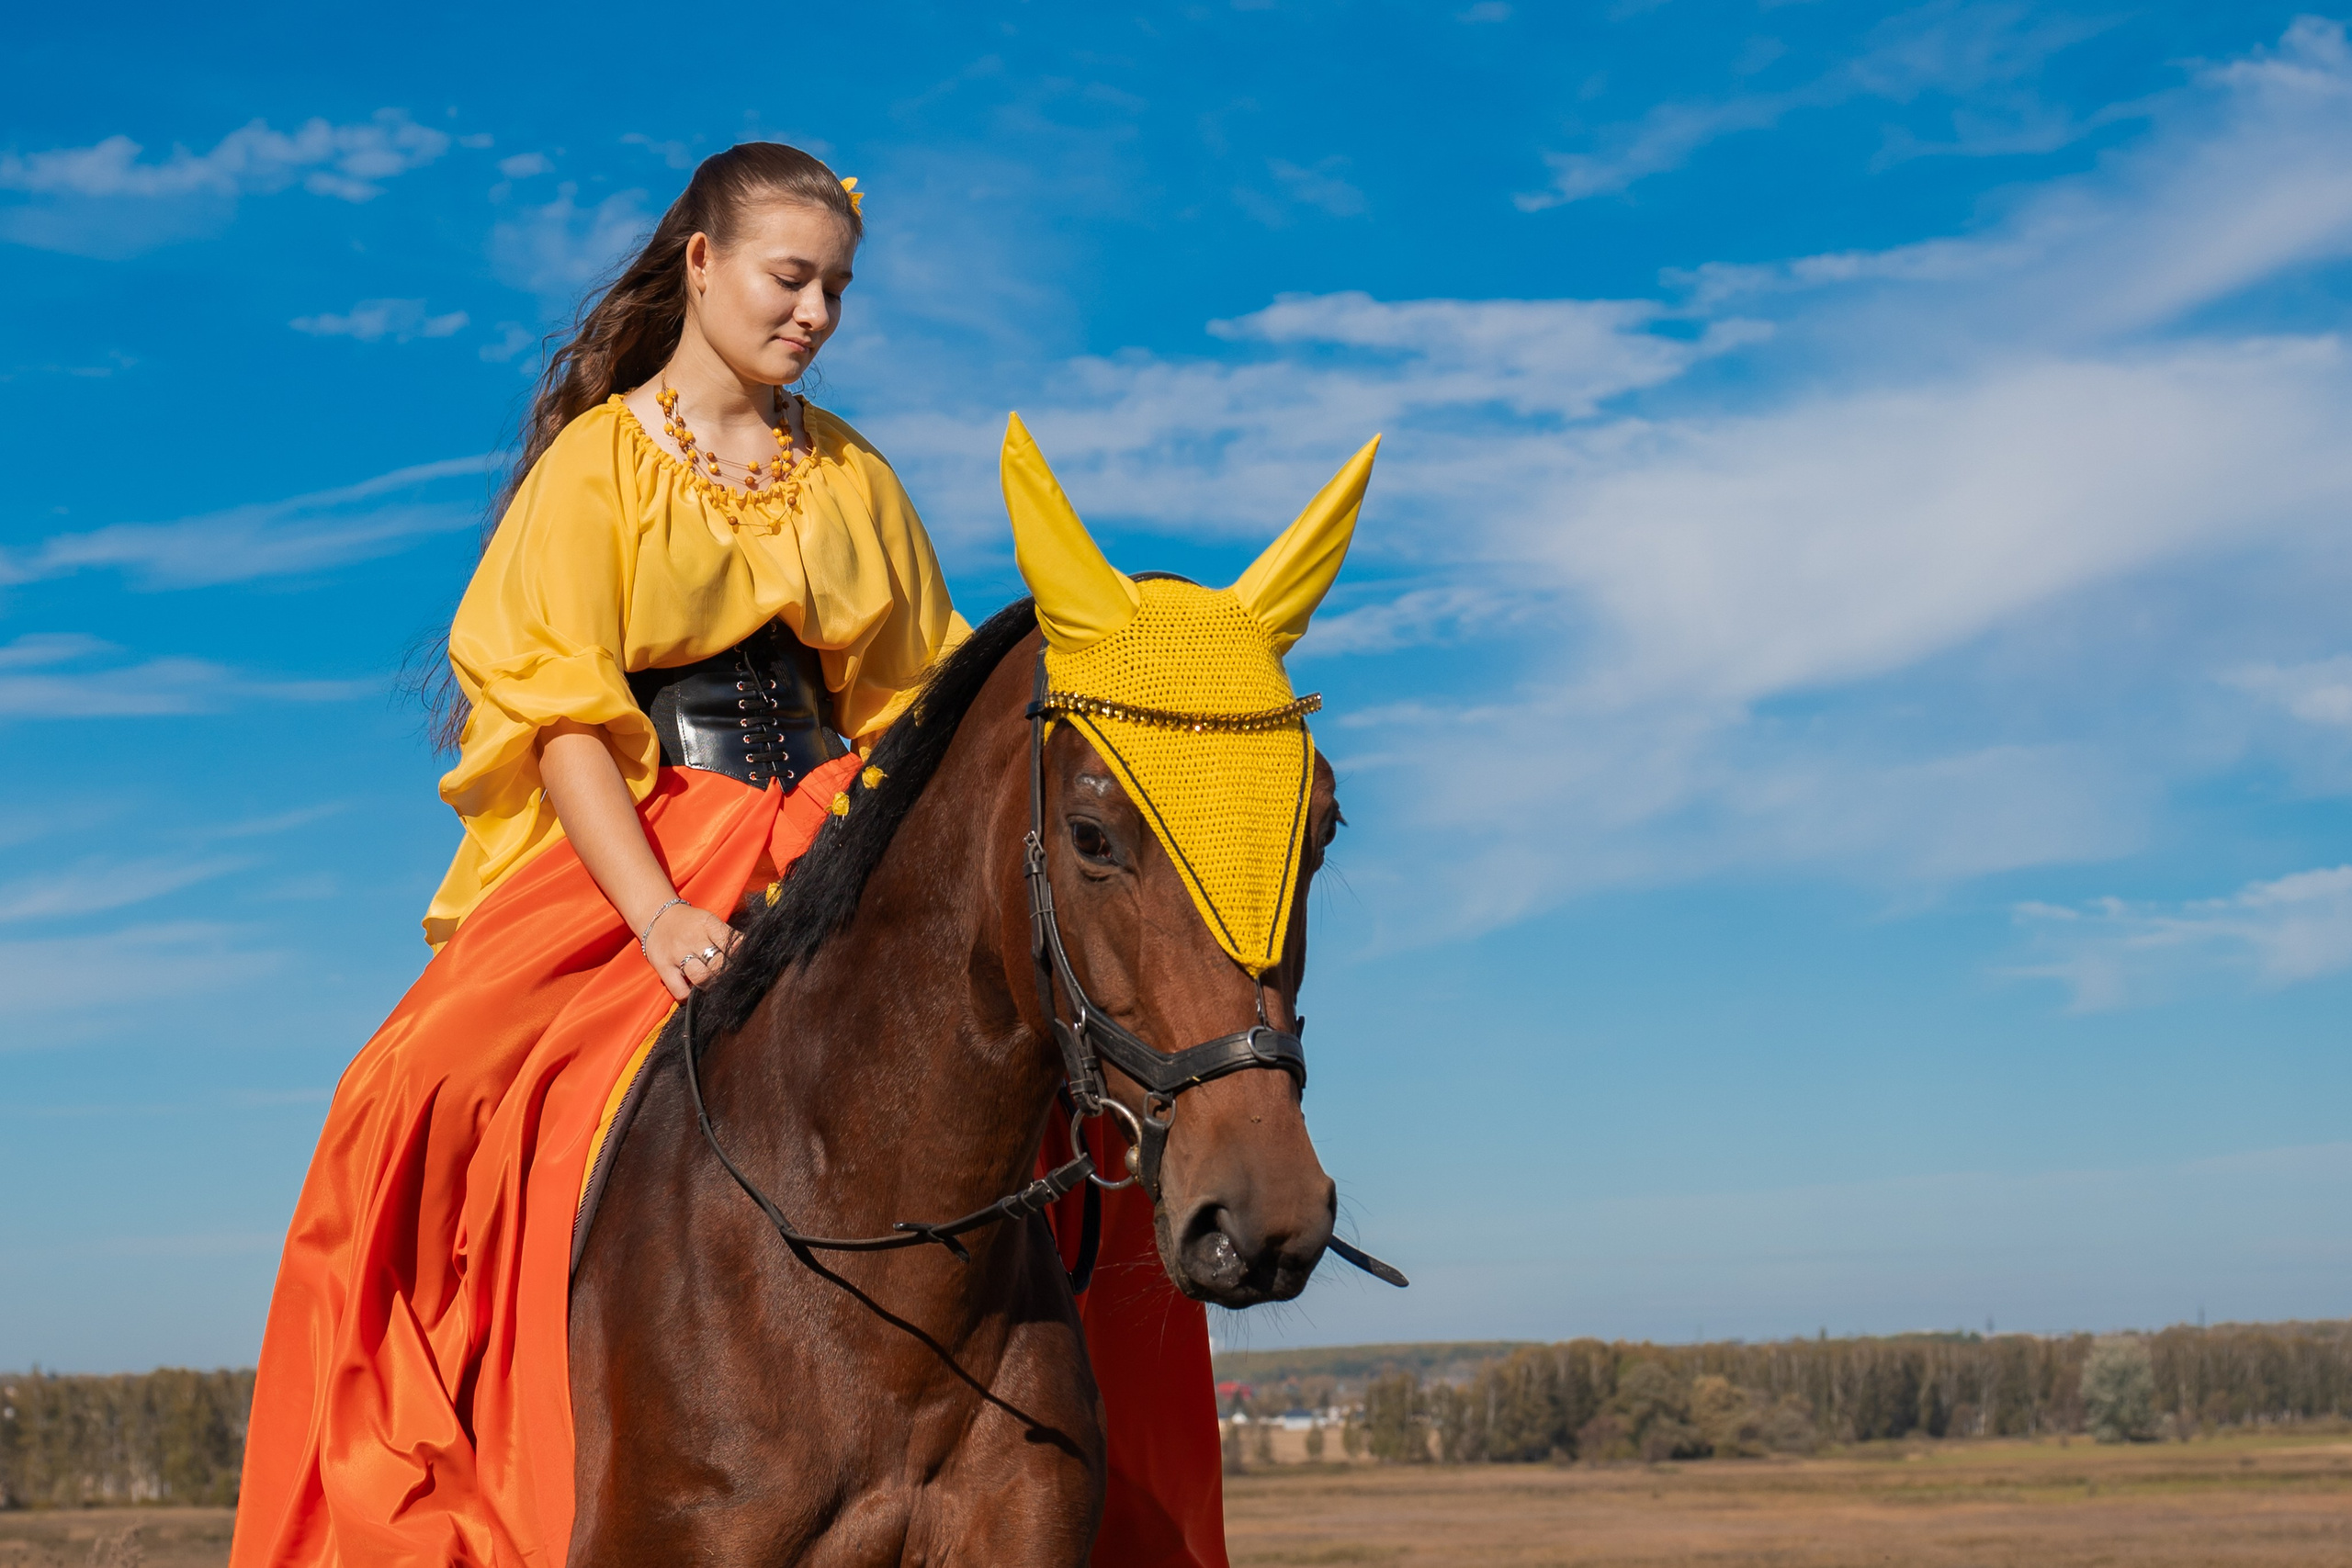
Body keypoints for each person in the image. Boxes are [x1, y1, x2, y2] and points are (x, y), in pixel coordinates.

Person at [231, 142, 1228, 1568]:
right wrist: (652, 914)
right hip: (641, 832)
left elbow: (915, 713)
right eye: (789, 276)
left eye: (837, 287)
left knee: (1075, 1078)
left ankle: (1125, 1490)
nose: (816, 312)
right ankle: (431, 1471)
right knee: (423, 1088)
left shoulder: (856, 477)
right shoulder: (596, 469)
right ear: (700, 265)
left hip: (837, 822)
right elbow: (561, 717)